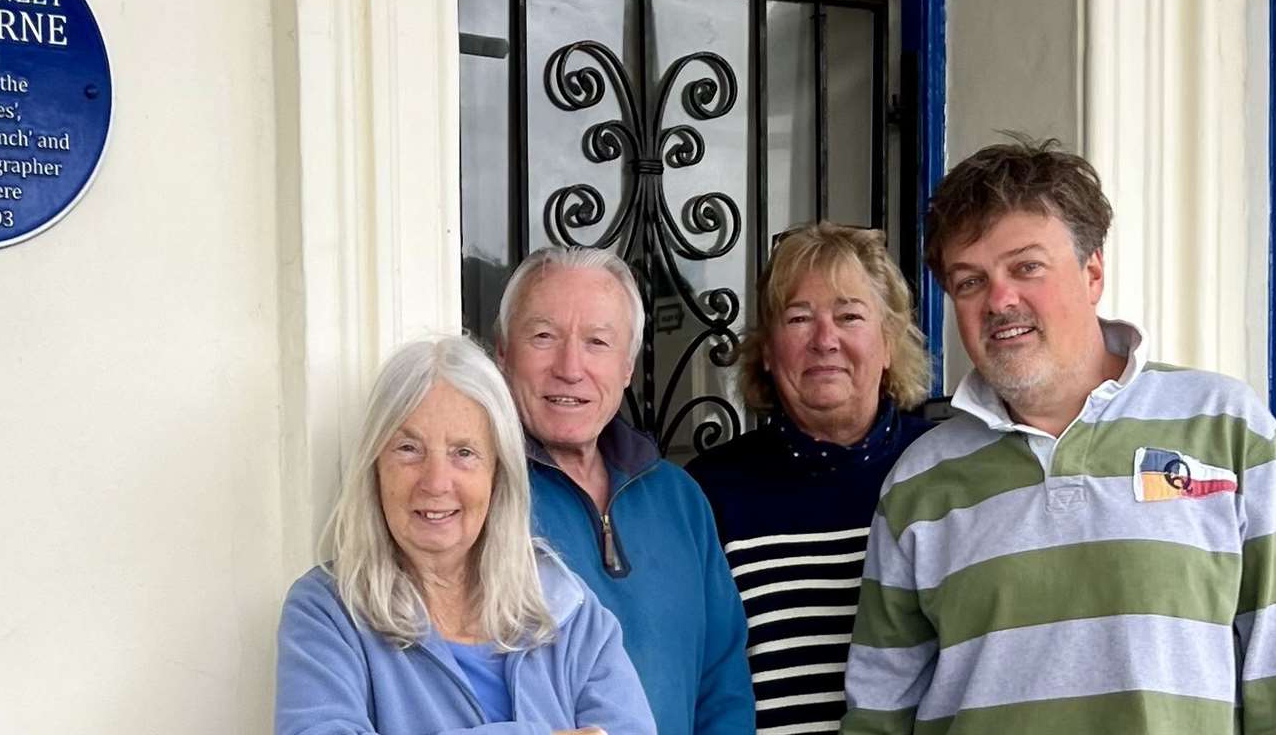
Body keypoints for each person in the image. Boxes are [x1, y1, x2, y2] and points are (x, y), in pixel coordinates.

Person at [843, 139, 1276, 734]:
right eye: (970, 282)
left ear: (1092, 270)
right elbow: (878, 713)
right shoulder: (918, 481)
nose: (1000, 300)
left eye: (1027, 266)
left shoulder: (1226, 426)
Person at [276, 334, 654, 735]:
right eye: (408, 448)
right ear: (374, 468)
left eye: (464, 453)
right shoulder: (327, 611)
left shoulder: (568, 607)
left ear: (498, 473)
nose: (436, 482)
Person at [495, 246, 755, 735]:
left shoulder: (679, 499)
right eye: (544, 336)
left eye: (597, 341)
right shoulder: (476, 501)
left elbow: (723, 681)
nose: (570, 367)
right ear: (503, 352)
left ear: (628, 367)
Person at [685, 223, 932, 733]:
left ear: (888, 344)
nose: (825, 340)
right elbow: (696, 677)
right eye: (799, 318)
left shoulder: (942, 469)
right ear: (769, 353)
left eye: (849, 316)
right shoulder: (708, 493)